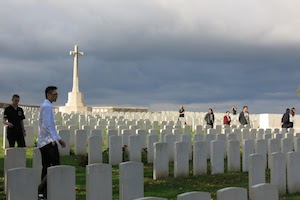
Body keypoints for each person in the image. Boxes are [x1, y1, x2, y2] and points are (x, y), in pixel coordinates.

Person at [37, 86, 65, 199]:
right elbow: (47, 125)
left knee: (46, 167)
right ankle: (40, 188)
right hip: (49, 142)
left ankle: (43, 194)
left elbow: (44, 125)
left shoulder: (44, 106)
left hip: (43, 142)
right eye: (54, 94)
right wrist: (56, 139)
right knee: (55, 166)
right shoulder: (47, 107)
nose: (56, 96)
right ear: (48, 95)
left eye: (57, 94)